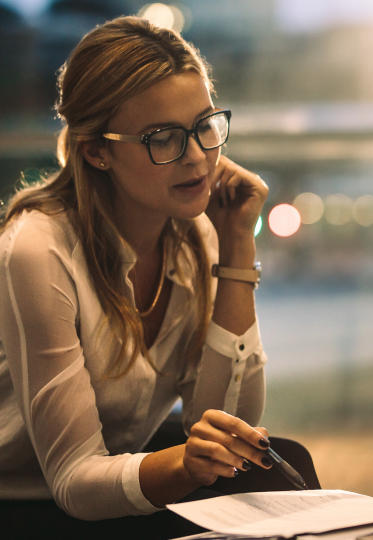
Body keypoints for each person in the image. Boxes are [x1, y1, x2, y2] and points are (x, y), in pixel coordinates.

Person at [0, 16, 318, 538]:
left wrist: (238, 243)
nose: (197, 157)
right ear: (97, 151)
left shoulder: (198, 230)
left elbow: (223, 424)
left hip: (112, 473)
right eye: (163, 137)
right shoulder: (38, 247)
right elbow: (74, 481)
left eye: (204, 126)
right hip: (25, 502)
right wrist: (189, 465)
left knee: (280, 462)